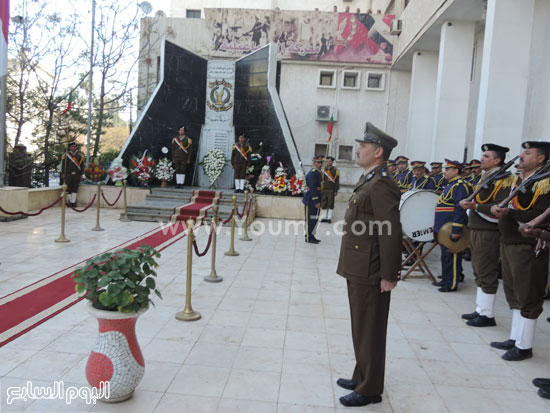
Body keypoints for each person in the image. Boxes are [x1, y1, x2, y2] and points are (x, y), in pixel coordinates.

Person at [335, 122, 401, 407]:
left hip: (372, 269)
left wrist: (389, 275)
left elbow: (390, 231)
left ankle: (370, 389)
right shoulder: (369, 179)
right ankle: (362, 374)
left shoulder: (382, 183)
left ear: (378, 152)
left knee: (370, 328)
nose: (358, 149)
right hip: (359, 266)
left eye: (363, 146)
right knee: (361, 326)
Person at [489, 141, 550, 361]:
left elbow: (538, 215)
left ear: (541, 158)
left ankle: (524, 346)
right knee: (513, 292)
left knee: (528, 295)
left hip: (527, 246)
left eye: (527, 152)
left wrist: (508, 213)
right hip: (509, 241)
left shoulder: (544, 183)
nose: (521, 156)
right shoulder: (523, 179)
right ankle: (515, 338)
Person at [459, 144, 514, 327]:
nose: (482, 159)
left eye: (486, 156)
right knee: (478, 270)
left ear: (497, 160)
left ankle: (487, 314)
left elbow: (498, 206)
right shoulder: (488, 176)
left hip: (489, 230)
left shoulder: (504, 179)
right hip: (477, 227)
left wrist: (474, 206)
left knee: (487, 270)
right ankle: (481, 309)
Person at [433, 160, 471, 292]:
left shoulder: (460, 186)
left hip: (451, 227)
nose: (445, 171)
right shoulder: (451, 185)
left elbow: (460, 209)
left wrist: (456, 229)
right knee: (446, 256)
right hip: (444, 226)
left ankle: (451, 283)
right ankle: (446, 278)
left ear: (456, 171)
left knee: (452, 255)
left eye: (448, 169)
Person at [303, 155, 323, 244]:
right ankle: (308, 237)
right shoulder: (312, 173)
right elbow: (313, 188)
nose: (320, 164)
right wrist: (316, 201)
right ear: (314, 163)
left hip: (317, 198)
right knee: (310, 219)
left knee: (315, 219)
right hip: (311, 200)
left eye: (321, 162)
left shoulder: (318, 172)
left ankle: (312, 235)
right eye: (318, 162)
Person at [61, 141, 84, 207]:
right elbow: (63, 165)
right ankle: (68, 202)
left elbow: (82, 166)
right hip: (68, 174)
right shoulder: (65, 155)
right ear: (69, 147)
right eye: (72, 146)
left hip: (77, 174)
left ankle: (73, 202)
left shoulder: (80, 155)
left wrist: (82, 174)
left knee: (75, 188)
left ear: (76, 147)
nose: (73, 147)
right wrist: (63, 173)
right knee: (68, 188)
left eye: (74, 146)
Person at [320, 156, 339, 223]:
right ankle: (324, 217)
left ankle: (329, 218)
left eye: (330, 161)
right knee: (323, 203)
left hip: (331, 189)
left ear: (332, 162)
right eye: (327, 161)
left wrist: (336, 190)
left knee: (330, 203)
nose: (328, 162)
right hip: (324, 189)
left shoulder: (335, 170)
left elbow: (336, 181)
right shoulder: (323, 169)